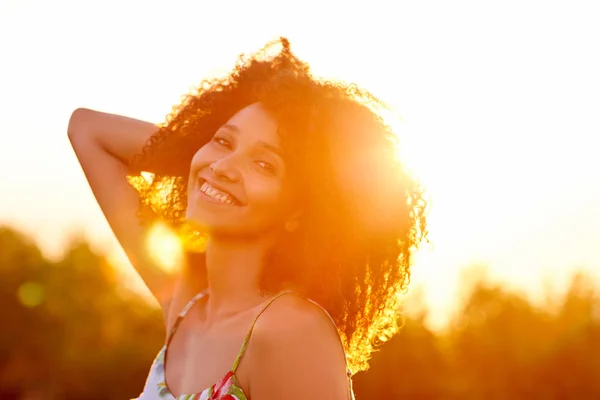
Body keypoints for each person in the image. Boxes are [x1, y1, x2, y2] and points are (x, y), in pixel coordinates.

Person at [68, 37, 427, 400]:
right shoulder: (185, 304)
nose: (226, 164)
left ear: (301, 211)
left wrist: (218, 174)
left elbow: (91, 135)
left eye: (264, 164)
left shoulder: (291, 332)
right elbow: (86, 130)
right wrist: (205, 166)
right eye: (223, 140)